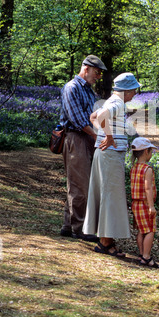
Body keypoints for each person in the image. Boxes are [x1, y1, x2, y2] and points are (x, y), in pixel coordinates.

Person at [83, 72, 141, 257]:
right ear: (128, 90)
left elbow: (93, 116)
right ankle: (105, 243)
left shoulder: (112, 101)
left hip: (106, 154)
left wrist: (104, 133)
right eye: (134, 91)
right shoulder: (117, 102)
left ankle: (106, 239)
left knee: (106, 193)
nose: (134, 95)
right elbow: (100, 117)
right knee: (110, 195)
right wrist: (108, 136)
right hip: (110, 155)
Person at [59, 55, 107, 241]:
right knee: (81, 185)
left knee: (77, 183)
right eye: (97, 72)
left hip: (86, 138)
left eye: (100, 73)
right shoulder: (72, 88)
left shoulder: (88, 91)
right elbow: (78, 120)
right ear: (86, 68)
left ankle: (68, 225)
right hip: (76, 138)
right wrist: (98, 136)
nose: (99, 76)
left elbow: (92, 116)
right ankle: (80, 229)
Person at [130, 137, 159, 268]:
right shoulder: (147, 169)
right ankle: (146, 256)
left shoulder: (134, 168)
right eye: (151, 151)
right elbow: (148, 188)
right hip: (144, 204)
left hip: (135, 203)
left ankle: (142, 254)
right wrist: (151, 206)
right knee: (150, 230)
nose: (151, 154)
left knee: (141, 230)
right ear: (146, 152)